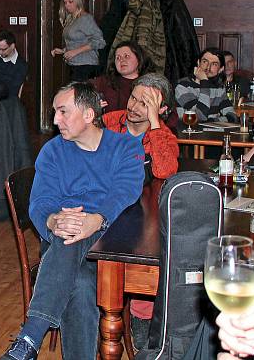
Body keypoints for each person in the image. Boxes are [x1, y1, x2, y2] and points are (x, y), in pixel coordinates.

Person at [0, 82, 144, 360]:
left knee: (74, 246)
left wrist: (98, 220)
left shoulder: (125, 147)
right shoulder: (53, 152)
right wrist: (53, 221)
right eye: (55, 113)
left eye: (63, 112)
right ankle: (30, 338)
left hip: (109, 245)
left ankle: (30, 336)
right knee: (77, 273)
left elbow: (126, 190)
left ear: (89, 115)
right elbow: (40, 202)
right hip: (62, 241)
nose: (55, 120)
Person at [101, 72, 179, 350]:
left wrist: (155, 122)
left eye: (144, 103)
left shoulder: (163, 136)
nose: (134, 107)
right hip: (103, 214)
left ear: (161, 110)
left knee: (149, 260)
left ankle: (144, 340)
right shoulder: (108, 122)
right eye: (134, 97)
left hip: (139, 218)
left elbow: (165, 169)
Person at [51, 0, 106, 81]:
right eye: (65, 2)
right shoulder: (71, 19)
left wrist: (75, 52)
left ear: (77, 2)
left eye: (70, 2)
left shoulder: (85, 19)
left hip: (86, 66)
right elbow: (77, 41)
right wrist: (63, 50)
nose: (67, 5)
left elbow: (100, 42)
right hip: (74, 65)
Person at [175, 47, 237, 123]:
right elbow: (199, 116)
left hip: (214, 132)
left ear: (221, 69)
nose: (208, 67)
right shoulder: (183, 86)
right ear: (198, 62)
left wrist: (212, 121)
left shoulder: (218, 87)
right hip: (190, 132)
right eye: (205, 61)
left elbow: (233, 116)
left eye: (214, 64)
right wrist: (204, 81)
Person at [91, 41, 152, 114]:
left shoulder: (150, 86)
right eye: (118, 58)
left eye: (126, 56)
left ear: (139, 58)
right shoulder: (104, 81)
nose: (122, 60)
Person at [0, 29, 29, 103]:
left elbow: (13, 90)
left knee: (1, 89)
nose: (0, 52)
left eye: (3, 49)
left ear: (12, 46)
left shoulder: (21, 65)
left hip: (5, 102)